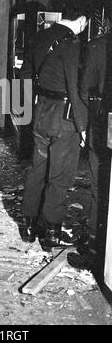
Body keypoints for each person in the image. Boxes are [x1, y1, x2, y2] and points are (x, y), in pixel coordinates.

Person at [19, 0, 92, 250]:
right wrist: (82, 126)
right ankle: (51, 231)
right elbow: (74, 87)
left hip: (40, 113)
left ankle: (28, 225)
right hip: (64, 117)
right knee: (60, 176)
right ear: (82, 20)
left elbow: (25, 75)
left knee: (38, 168)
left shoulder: (40, 36)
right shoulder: (73, 43)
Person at [67, 22, 112, 271]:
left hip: (104, 125)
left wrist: (85, 126)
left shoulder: (97, 46)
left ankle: (95, 254)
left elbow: (84, 89)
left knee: (100, 189)